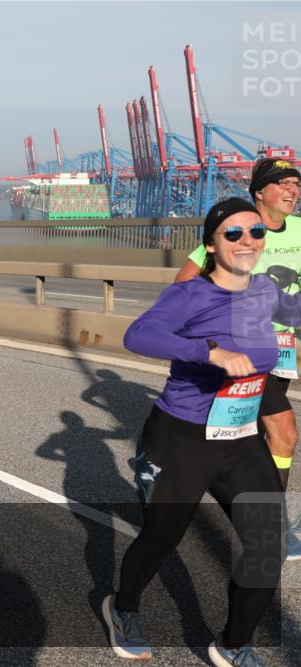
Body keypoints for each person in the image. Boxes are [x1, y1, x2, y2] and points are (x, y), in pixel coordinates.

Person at [105, 198, 295, 667]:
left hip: (241, 437)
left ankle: (233, 644)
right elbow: (138, 335)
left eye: (255, 232)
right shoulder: (190, 295)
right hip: (183, 437)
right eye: (233, 233)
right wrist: (209, 353)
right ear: (211, 244)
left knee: (267, 544)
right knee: (161, 538)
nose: (247, 241)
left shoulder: (265, 289)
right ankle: (122, 608)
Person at [174, 158, 301, 560]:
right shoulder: (238, 228)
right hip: (243, 350)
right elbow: (184, 282)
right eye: (283, 183)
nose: (293, 190)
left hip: (282, 353)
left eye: (296, 184)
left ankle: (166, 461)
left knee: (252, 439)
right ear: (259, 192)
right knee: (283, 432)